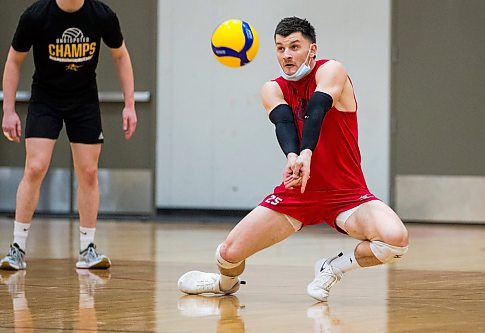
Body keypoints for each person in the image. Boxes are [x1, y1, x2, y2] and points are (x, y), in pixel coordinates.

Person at [178, 17, 409, 302]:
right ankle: (224, 284)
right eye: (280, 48)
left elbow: (318, 108)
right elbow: (284, 123)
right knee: (228, 253)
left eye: (294, 46)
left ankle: (332, 268)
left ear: (312, 49)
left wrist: (307, 152)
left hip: (346, 193)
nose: (286, 55)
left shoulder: (331, 71)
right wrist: (293, 156)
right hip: (298, 192)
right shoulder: (271, 89)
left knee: (395, 241)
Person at [1, 0, 137, 270]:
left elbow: (120, 55)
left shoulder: (101, 14)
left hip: (84, 101)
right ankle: (17, 248)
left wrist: (130, 105)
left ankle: (87, 249)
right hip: (45, 100)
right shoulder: (36, 15)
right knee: (35, 167)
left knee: (88, 171)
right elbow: (14, 61)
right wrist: (8, 111)